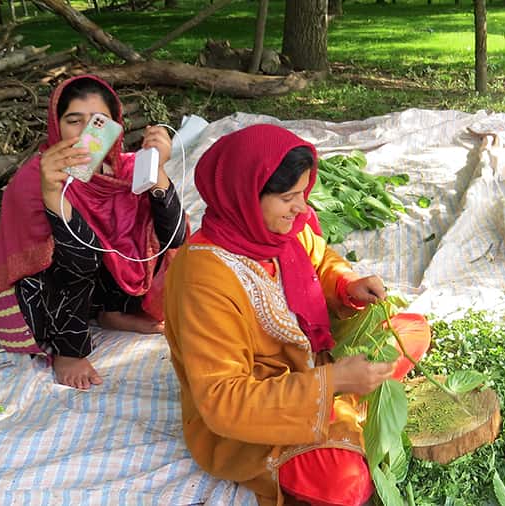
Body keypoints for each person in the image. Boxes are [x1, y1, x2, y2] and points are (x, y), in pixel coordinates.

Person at [163, 124, 429, 506]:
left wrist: (347, 285)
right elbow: (225, 402)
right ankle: (349, 402)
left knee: (410, 329)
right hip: (257, 413)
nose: (302, 207)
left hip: (312, 358)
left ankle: (352, 398)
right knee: (344, 483)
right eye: (288, 196)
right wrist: (332, 382)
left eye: (303, 193)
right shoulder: (202, 278)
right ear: (244, 197)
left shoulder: (281, 232)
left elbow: (320, 261)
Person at [0, 75, 187, 389]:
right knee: (72, 257)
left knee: (151, 238)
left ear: (116, 125)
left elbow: (174, 238)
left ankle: (111, 312)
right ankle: (69, 348)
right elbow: (74, 256)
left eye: (99, 122)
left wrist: (157, 172)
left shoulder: (128, 171)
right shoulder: (34, 179)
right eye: (74, 121)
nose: (87, 134)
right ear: (57, 125)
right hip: (48, 290)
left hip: (97, 288)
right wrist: (52, 193)